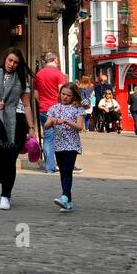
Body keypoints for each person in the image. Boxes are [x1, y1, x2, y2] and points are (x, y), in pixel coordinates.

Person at [0, 48, 36, 210]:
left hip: (16, 122)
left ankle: (5, 195)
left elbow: (26, 105)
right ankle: (7, 183)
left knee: (9, 160)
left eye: (16, 62)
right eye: (10, 60)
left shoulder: (21, 78)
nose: (12, 64)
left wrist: (31, 128)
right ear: (5, 59)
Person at [45, 81, 85, 212]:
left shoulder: (77, 109)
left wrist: (67, 121)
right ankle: (68, 202)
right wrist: (52, 121)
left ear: (74, 96)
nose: (65, 97)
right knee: (63, 172)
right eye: (63, 94)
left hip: (71, 144)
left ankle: (64, 197)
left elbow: (79, 127)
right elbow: (46, 126)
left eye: (68, 95)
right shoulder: (54, 108)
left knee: (67, 171)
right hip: (58, 144)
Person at [34, 53, 66, 174]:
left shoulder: (38, 74)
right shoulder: (58, 74)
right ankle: (53, 166)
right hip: (56, 109)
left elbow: (36, 94)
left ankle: (49, 165)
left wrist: (42, 103)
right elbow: (62, 93)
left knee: (48, 137)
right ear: (56, 60)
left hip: (43, 108)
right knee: (59, 137)